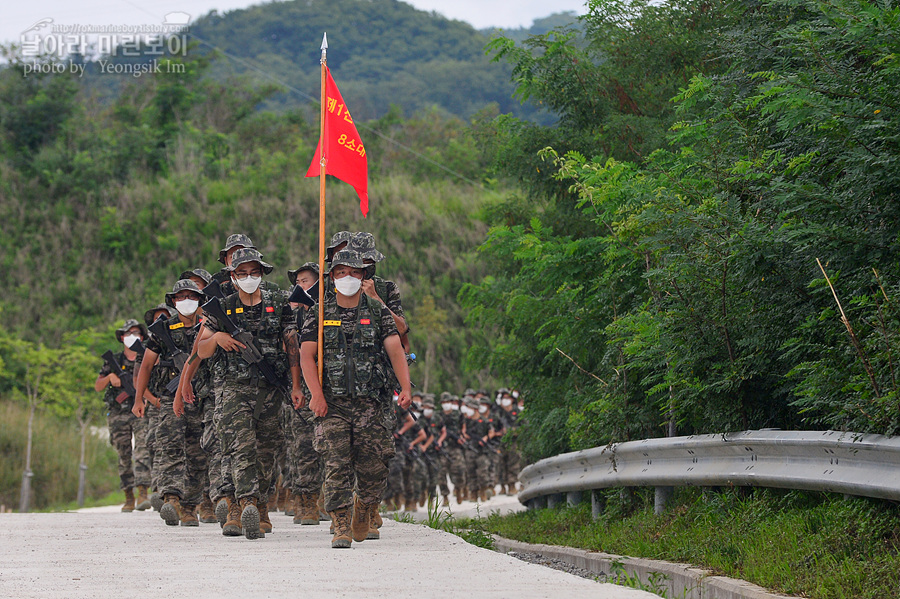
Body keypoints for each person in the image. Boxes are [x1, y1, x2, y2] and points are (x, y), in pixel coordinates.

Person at [299, 248, 412, 548]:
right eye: (340, 273)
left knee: (374, 466)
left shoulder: (377, 311)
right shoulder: (320, 312)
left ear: (363, 276)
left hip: (370, 403)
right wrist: (316, 395)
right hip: (332, 403)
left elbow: (395, 349)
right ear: (332, 277)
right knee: (336, 464)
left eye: (353, 273)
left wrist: (406, 388)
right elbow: (306, 356)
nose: (347, 278)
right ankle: (340, 524)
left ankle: (365, 506)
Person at [198, 248, 302, 540]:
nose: (248, 278)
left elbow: (292, 345)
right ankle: (242, 505)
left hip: (270, 388)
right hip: (233, 386)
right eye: (242, 273)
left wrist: (295, 385)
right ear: (232, 276)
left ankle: (260, 504)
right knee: (239, 447)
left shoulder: (279, 302)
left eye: (253, 273)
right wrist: (218, 337)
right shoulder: (221, 306)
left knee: (267, 451)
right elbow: (202, 350)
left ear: (262, 273)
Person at [133, 279, 208, 527]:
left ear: (199, 299)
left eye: (191, 296)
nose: (186, 300)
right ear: (173, 302)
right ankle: (171, 497)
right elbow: (145, 365)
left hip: (202, 398)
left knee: (198, 454)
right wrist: (138, 399)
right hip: (169, 399)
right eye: (180, 297)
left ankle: (190, 507)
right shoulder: (162, 330)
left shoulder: (208, 326)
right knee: (170, 447)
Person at [94, 319, 151, 513]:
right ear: (121, 337)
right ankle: (128, 495)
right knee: (123, 453)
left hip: (141, 409)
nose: (132, 336)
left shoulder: (146, 356)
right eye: (128, 333)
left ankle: (143, 492)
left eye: (135, 332)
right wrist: (109, 378)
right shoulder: (114, 361)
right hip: (118, 413)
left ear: (142, 337)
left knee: (143, 449)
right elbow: (97, 385)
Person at [285, 262, 325, 525]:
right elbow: (292, 350)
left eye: (306, 281)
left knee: (330, 448)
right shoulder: (294, 313)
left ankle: (326, 499)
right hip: (305, 387)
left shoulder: (329, 308)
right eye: (297, 281)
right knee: (303, 446)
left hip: (331, 385)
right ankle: (305, 502)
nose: (301, 286)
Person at [139, 303, 175, 511]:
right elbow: (140, 375)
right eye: (157, 318)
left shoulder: (181, 338)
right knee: (158, 444)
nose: (160, 321)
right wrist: (151, 400)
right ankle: (160, 489)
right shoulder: (151, 346)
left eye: (165, 316)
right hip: (158, 401)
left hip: (183, 399)